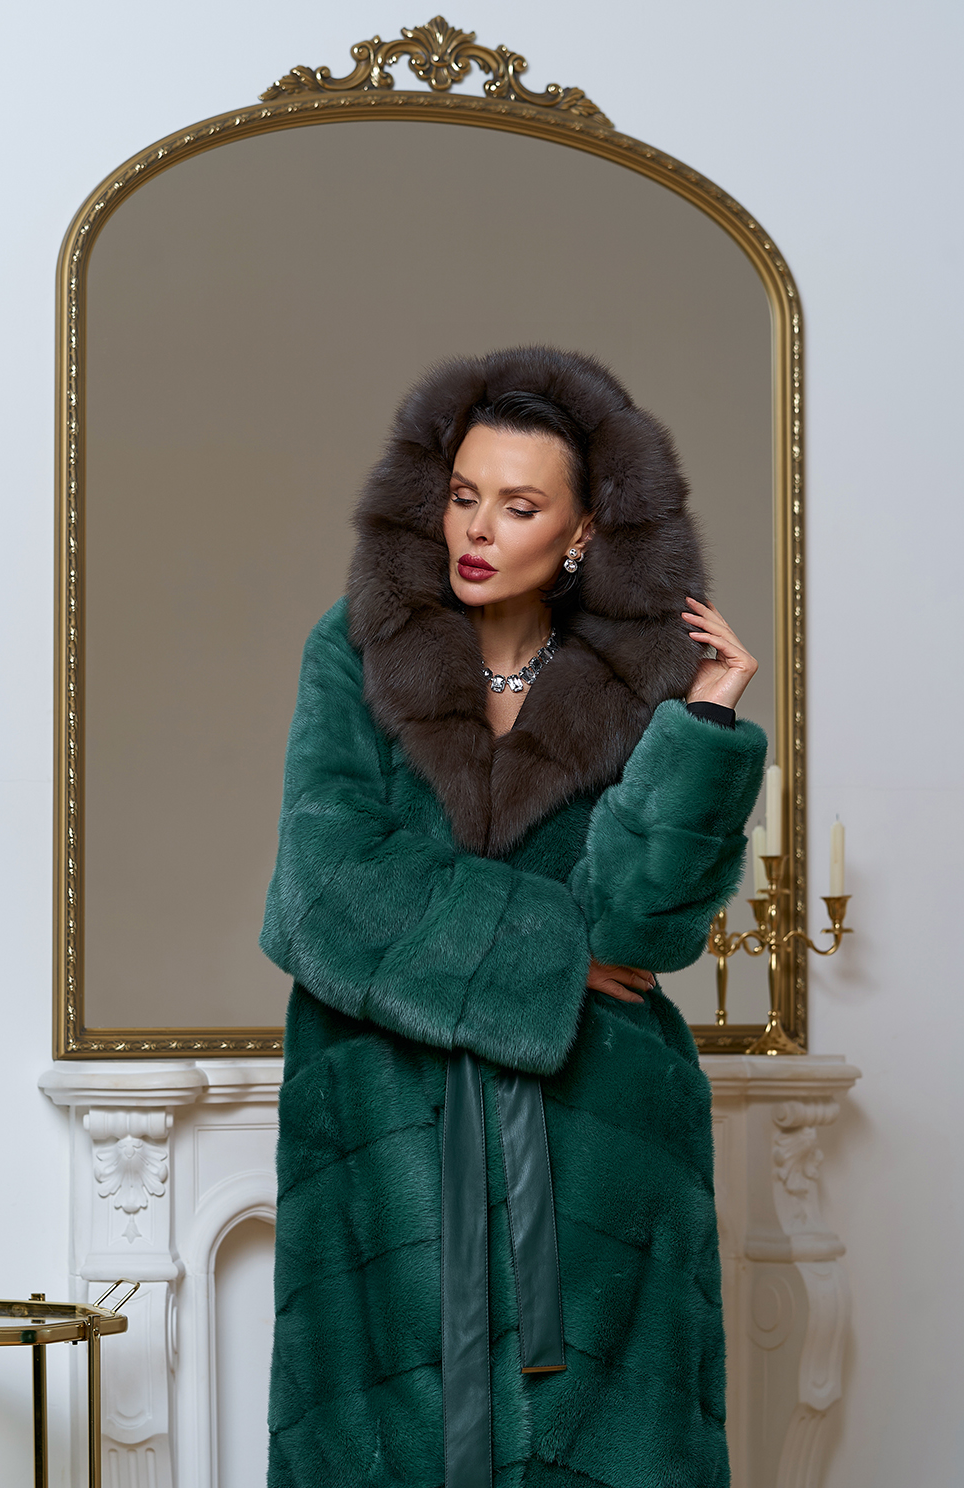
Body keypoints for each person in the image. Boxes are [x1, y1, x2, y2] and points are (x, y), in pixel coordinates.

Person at [260, 345, 766, 1488]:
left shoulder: (640, 682)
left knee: (598, 1448)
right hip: (383, 1125)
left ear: (581, 533)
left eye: (519, 506)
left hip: (599, 1135)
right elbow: (322, 888)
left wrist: (700, 731)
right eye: (462, 495)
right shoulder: (355, 649)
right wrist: (547, 955)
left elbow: (639, 933)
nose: (477, 530)